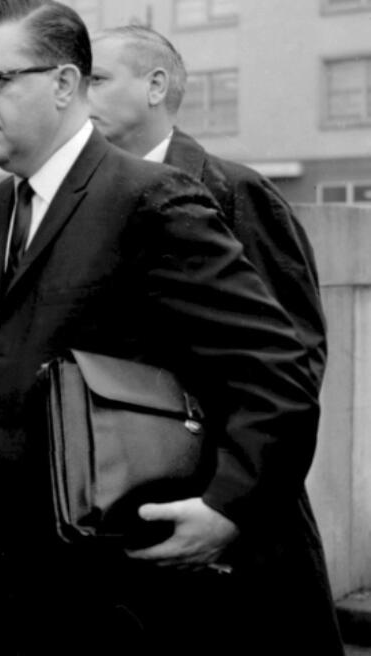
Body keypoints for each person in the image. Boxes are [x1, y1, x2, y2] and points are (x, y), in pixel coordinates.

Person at [0, 0, 357, 656]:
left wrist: (231, 505)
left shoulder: (151, 200)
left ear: (66, 84)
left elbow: (276, 367)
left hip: (109, 611)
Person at [88, 24, 326, 390]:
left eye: (97, 80)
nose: (77, 98)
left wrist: (234, 450)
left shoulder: (236, 191)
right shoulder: (76, 192)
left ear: (155, 87)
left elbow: (293, 356)